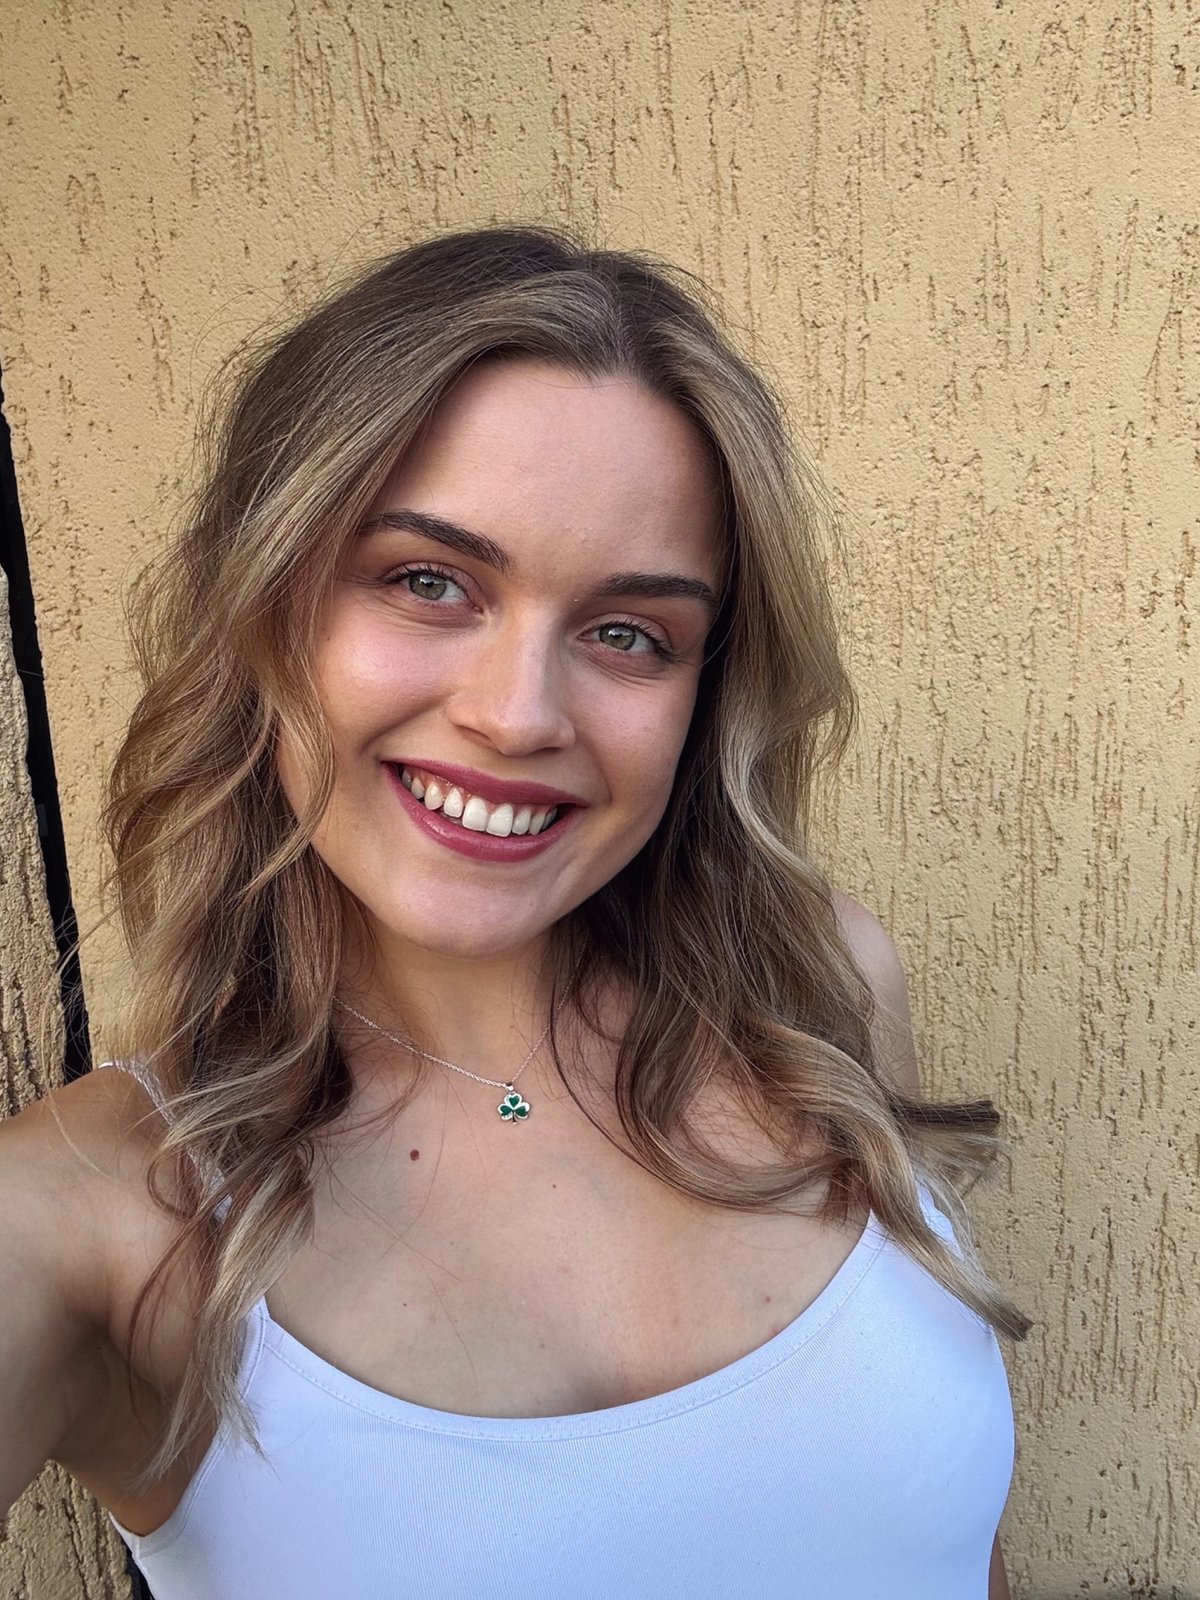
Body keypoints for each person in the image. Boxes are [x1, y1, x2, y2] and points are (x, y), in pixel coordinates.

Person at [0, 225, 1027, 1598]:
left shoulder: (821, 994)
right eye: (428, 581)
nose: (518, 714)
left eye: (629, 632)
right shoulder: (88, 1216)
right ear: (264, 604)